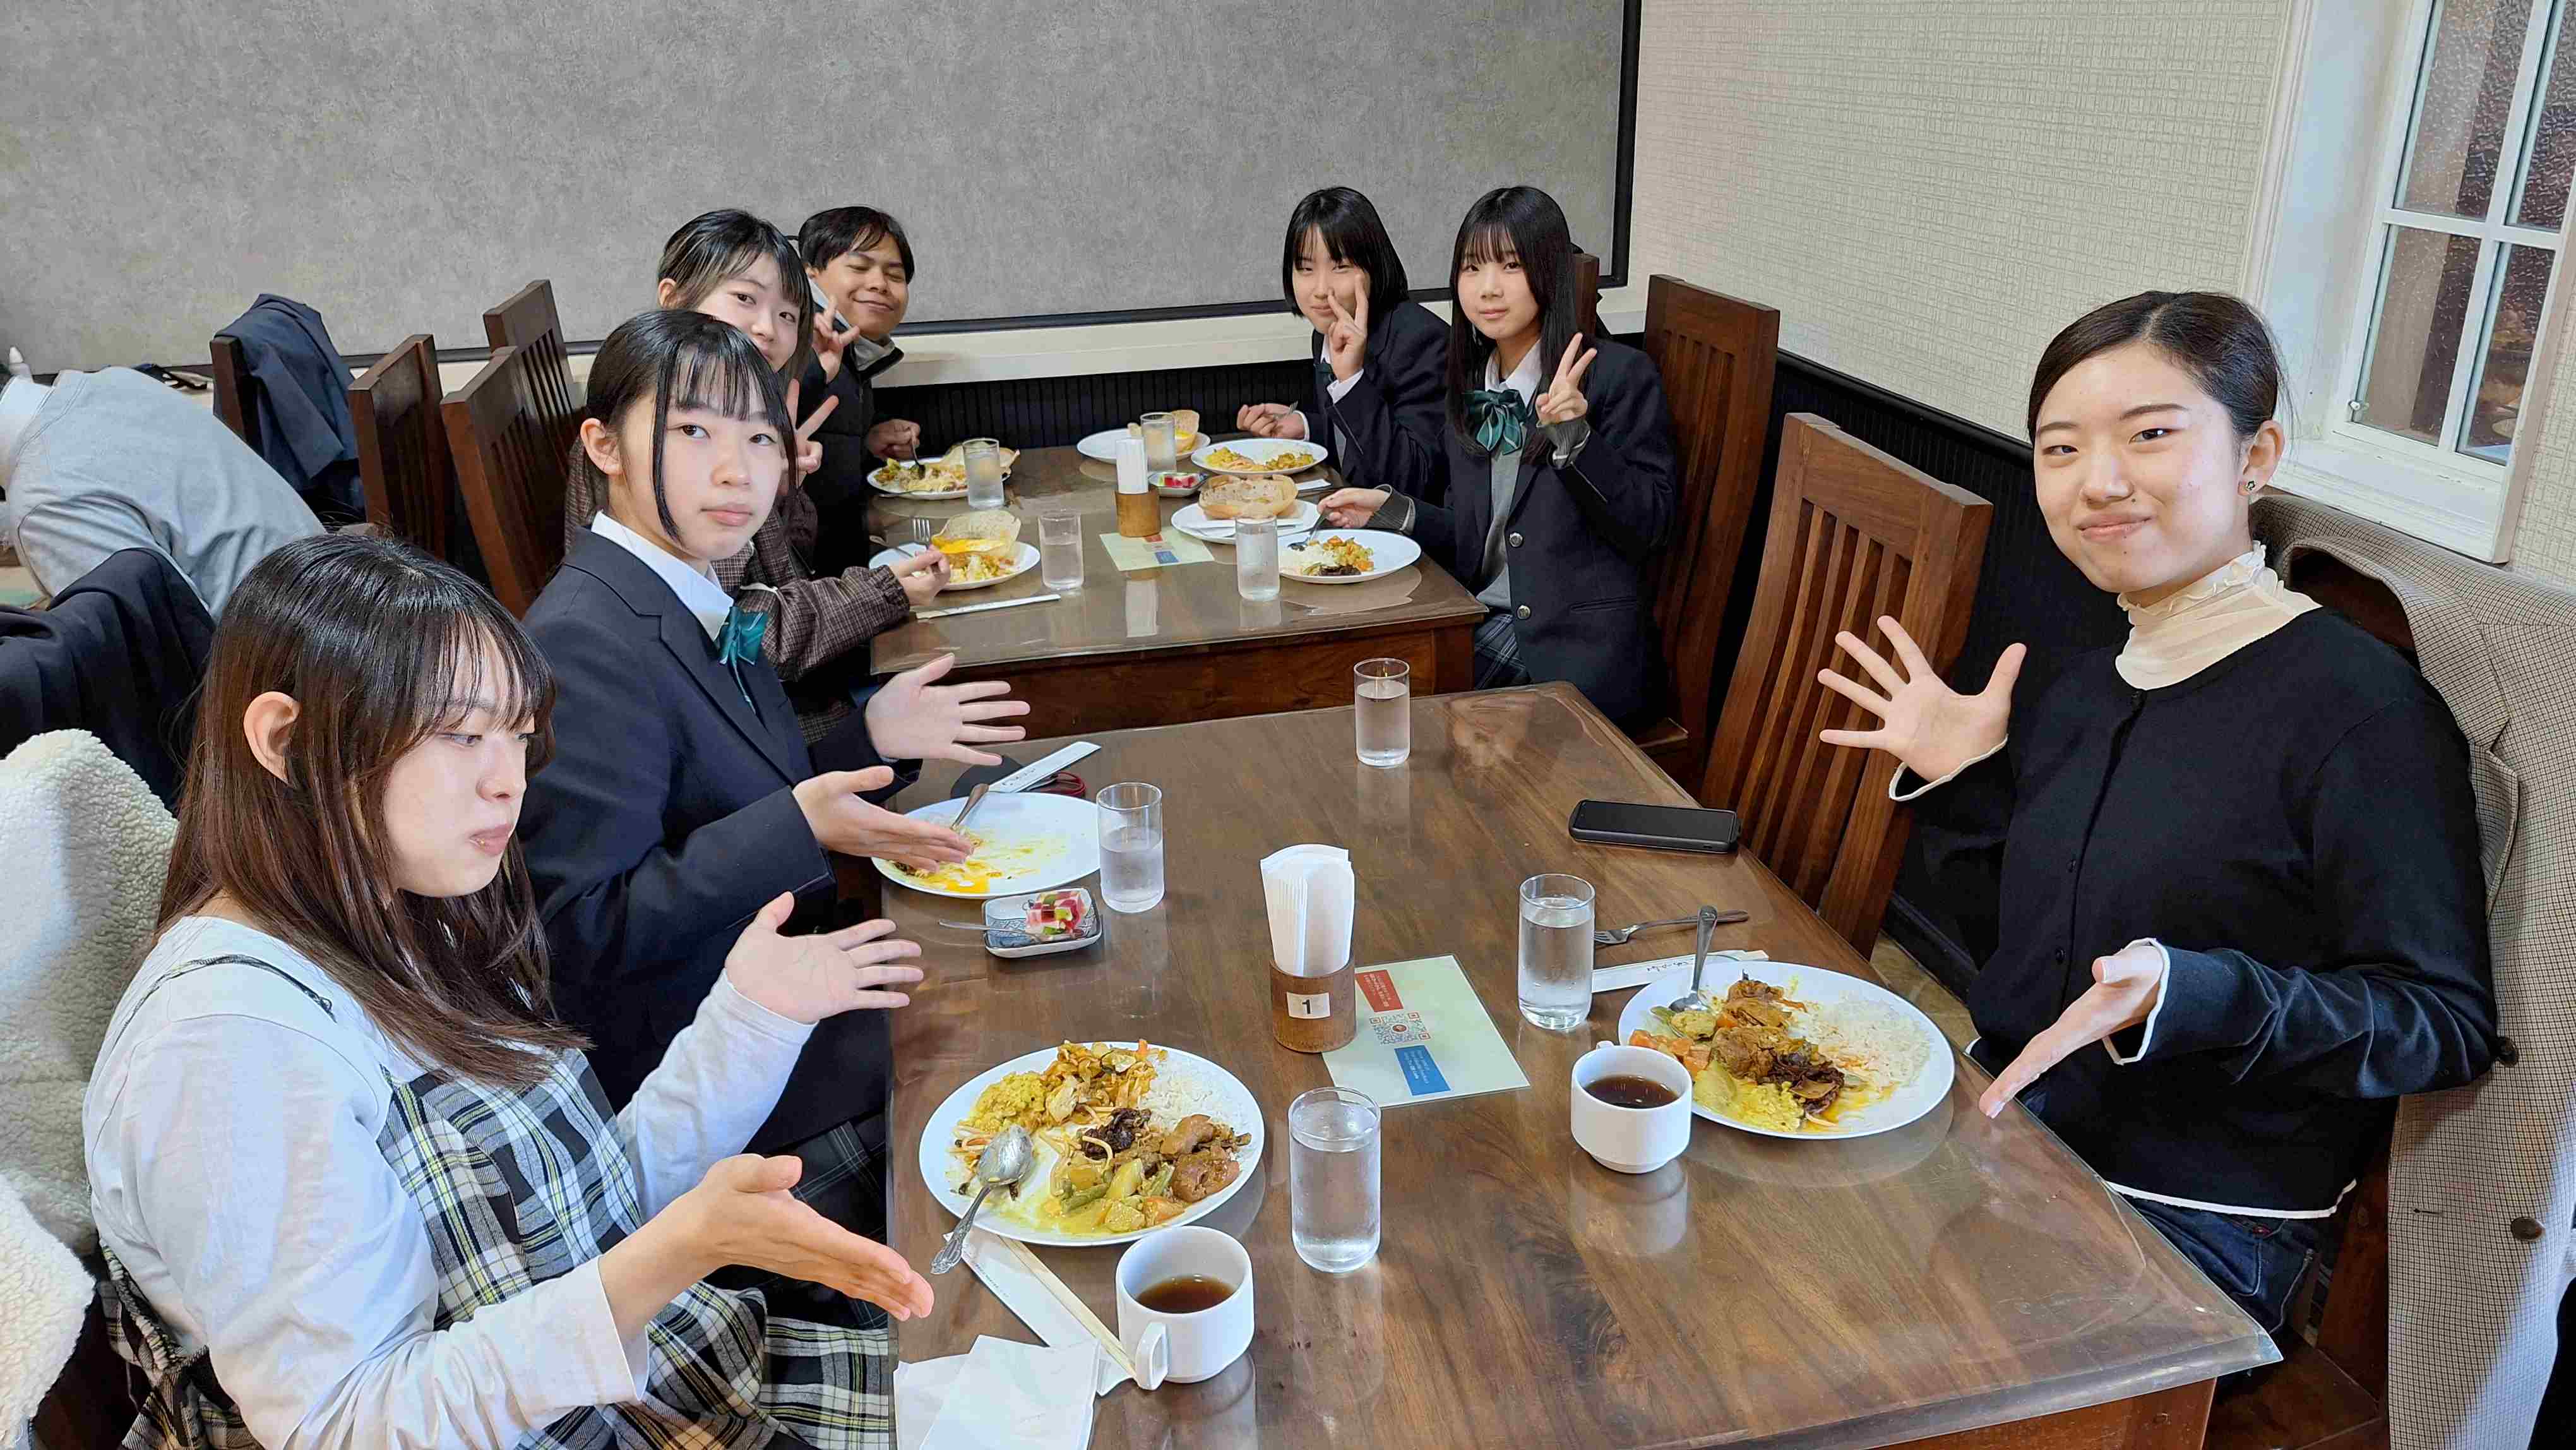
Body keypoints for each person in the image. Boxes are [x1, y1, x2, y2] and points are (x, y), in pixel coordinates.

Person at [85, 531, 933, 1449]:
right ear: (285, 741)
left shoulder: (405, 913)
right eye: (460, 735)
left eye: (519, 736)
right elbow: (345, 1423)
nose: (510, 783)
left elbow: (586, 1211)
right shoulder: (226, 1046)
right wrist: (674, 1255)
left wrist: (754, 1016)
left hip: (660, 1379)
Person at [1815, 291, 2498, 1340]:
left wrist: (2199, 992)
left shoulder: (2361, 711)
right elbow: (2029, 959)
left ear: (2256, 455)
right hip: (2015, 1139)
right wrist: (1966, 781)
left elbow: (2441, 1024)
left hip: (2201, 1222)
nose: (2098, 481)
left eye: (2150, 436)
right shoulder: (2089, 685)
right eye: (2060, 448)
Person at [521, 311, 1022, 1271]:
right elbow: (583, 931)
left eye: (759, 438)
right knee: (989, 1036)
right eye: (691, 431)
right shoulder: (584, 636)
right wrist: (800, 822)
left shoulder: (683, 586)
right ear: (603, 446)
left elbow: (730, 787)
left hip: (792, 983)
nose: (736, 471)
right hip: (717, 1070)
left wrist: (870, 739)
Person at [563, 210, 951, 752]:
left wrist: (786, 489)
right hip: (769, 738)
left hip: (788, 705)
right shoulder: (649, 448)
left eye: (789, 314)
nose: (769, 328)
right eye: (744, 299)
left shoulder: (744, 419)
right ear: (673, 300)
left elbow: (778, 572)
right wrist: (883, 593)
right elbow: (735, 639)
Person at [1321, 186, 1676, 726]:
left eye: (1511, 266)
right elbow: (1477, 540)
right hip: (1482, 623)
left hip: (1573, 657)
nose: (1488, 288)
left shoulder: (1618, 376)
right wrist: (1391, 509)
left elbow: (1651, 526)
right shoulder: (1472, 382)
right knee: (1348, 682)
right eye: (1472, 267)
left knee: (1388, 714)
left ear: (1548, 273)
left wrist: (1575, 439)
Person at [0, 362, 321, 616]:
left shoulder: (44, 504)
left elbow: (164, 651)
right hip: (329, 585)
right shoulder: (118, 381)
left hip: (295, 653)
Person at [1235, 186, 1448, 500]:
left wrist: (1351, 379)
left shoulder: (1422, 339)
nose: (1321, 290)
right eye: (1306, 269)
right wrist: (1305, 426)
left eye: (1340, 267)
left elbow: (1414, 481)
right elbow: (1356, 447)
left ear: (1373, 267)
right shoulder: (1326, 329)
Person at [799, 206, 926, 570]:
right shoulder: (794, 346)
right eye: (859, 267)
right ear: (810, 275)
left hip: (841, 567)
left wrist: (866, 442)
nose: (879, 284)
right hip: (805, 581)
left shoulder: (854, 351)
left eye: (895, 275)